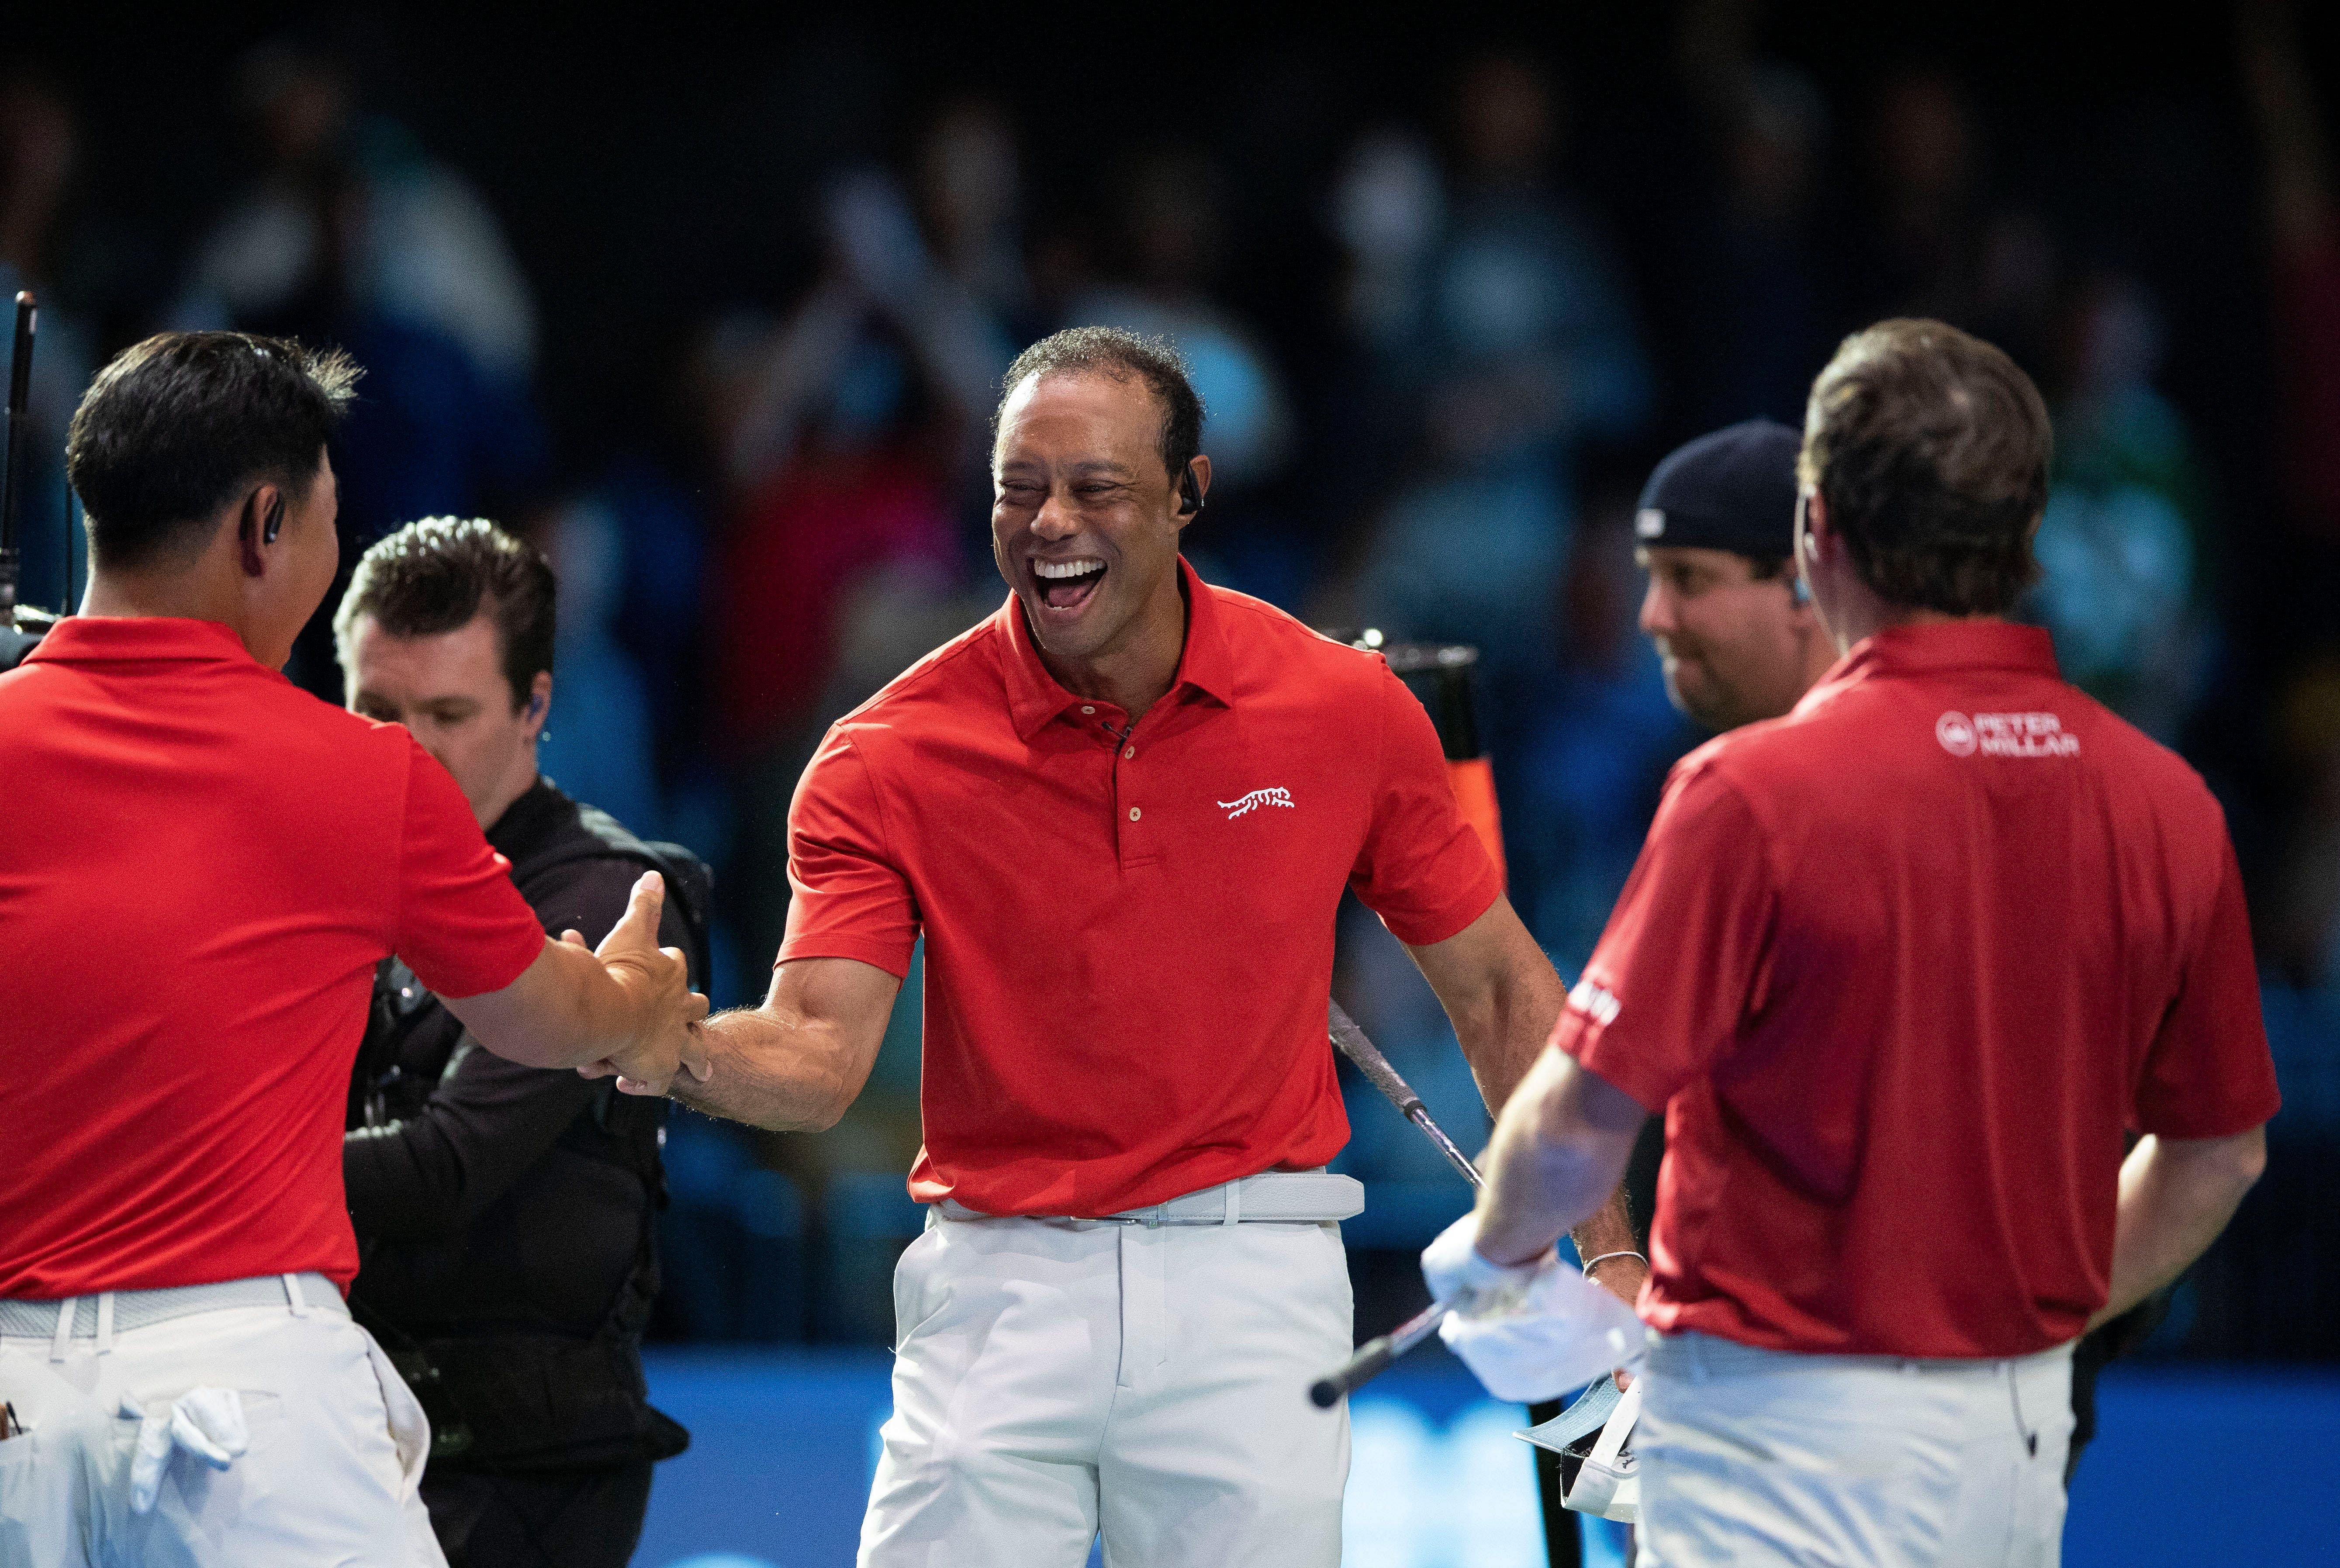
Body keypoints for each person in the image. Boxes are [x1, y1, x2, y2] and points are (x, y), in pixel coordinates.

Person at [634, 326, 1613, 1567]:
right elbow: (819, 1057)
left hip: (1249, 1275)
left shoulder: (1339, 707)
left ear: (1187, 494)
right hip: (995, 1283)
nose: (1049, 520)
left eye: (1094, 486)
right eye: (1017, 488)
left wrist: (1608, 1251)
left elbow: (1495, 988)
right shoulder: (886, 750)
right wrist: (655, 1036)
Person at [1431, 319, 2278, 1565]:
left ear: (1812, 528)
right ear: (2027, 535)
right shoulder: (2166, 800)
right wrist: (2023, 1307)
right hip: (2014, 1429)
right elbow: (2215, 1156)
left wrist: (1493, 1262)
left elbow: (1573, 1123)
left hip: (1774, 1440)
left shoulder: (1752, 790)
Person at [0, 332, 703, 1568]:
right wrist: (639, 1000)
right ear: (265, 525)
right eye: (330, 508)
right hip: (245, 1397)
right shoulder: (361, 776)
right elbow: (543, 1017)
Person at [334, 517, 702, 1568]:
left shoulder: (610, 897)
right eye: (374, 709)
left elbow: (449, 1167)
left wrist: (188, 1168)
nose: (405, 748)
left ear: (537, 704)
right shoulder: (322, 872)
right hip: (347, 1426)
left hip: (524, 1473)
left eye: (448, 714)